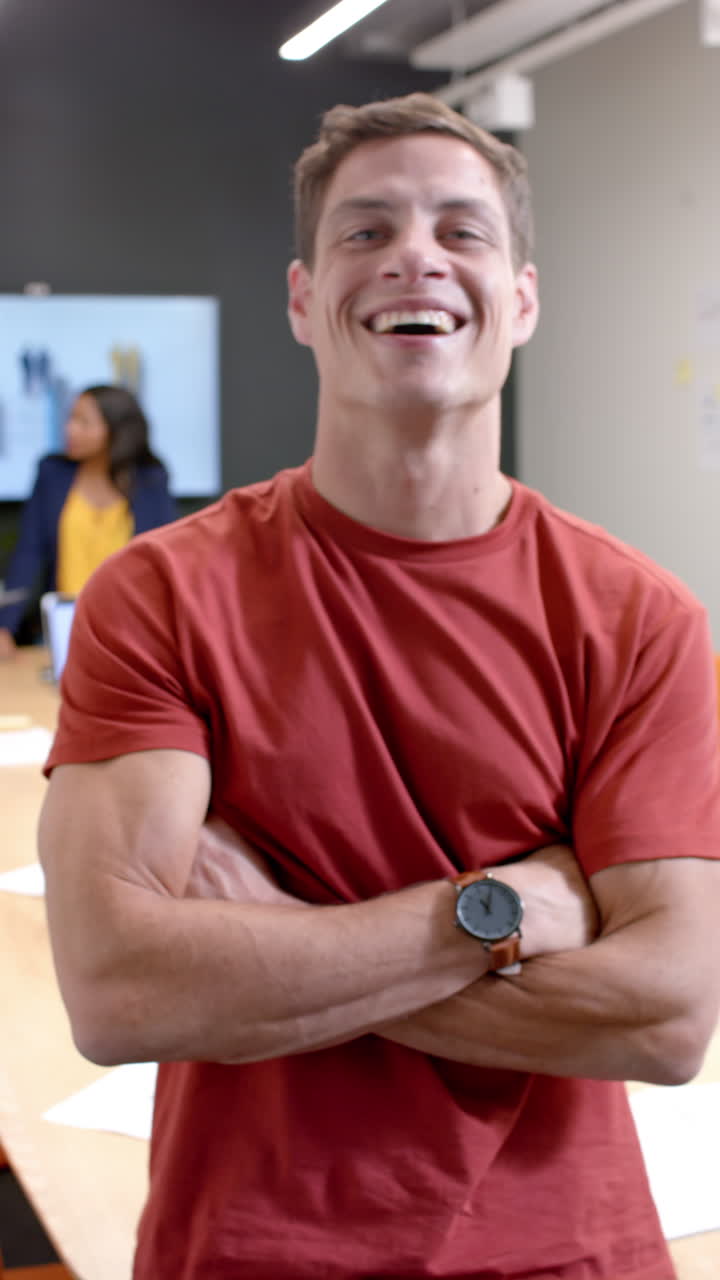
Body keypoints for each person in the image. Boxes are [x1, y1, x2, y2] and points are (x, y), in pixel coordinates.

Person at [38, 93, 720, 1280]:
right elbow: (121, 989)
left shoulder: (639, 617)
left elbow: (665, 1017)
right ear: (303, 299)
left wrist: (269, 943)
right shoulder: (159, 596)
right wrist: (508, 909)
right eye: (364, 231)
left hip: (567, 1252)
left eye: (462, 230)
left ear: (521, 298)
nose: (415, 253)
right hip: (249, 1248)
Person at [0, 384, 177, 658]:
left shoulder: (150, 478)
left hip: (132, 633)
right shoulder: (52, 473)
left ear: (116, 430)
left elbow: (164, 559)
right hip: (61, 630)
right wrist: (5, 627)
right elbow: (28, 552)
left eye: (84, 422)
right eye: (70, 419)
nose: (70, 429)